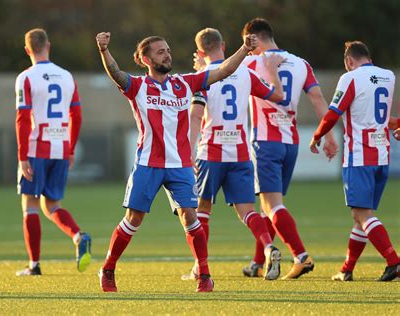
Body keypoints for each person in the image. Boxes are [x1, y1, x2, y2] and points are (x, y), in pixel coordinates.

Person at [95, 31, 258, 292]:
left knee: (190, 216)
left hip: (180, 165)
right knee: (133, 218)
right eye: (160, 51)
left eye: (168, 50)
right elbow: (116, 73)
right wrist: (104, 51)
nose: (167, 54)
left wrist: (243, 49)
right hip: (148, 163)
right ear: (146, 59)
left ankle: (204, 275)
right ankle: (109, 268)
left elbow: (222, 71)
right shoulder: (137, 86)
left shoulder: (185, 82)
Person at [181, 28, 285, 282]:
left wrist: (188, 151)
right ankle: (269, 247)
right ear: (224, 45)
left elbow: (195, 116)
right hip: (239, 152)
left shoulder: (202, 77)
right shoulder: (245, 73)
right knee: (247, 210)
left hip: (211, 151)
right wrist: (273, 73)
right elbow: (278, 96)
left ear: (201, 52)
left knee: (201, 210)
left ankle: (199, 266)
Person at [240, 18, 339, 279]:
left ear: (253, 39)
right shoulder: (300, 63)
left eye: (248, 45)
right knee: (270, 207)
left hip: (265, 141)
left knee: (272, 205)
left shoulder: (251, 62)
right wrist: (327, 134)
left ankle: (301, 256)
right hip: (290, 142)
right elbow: (318, 99)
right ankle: (258, 262)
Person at [310, 41, 399, 282]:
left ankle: (394, 262)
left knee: (363, 215)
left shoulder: (350, 78)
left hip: (359, 155)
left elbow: (333, 113)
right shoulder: (388, 76)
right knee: (361, 216)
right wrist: (396, 123)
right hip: (382, 155)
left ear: (349, 61)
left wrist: (317, 136)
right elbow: (379, 115)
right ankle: (347, 269)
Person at [14, 28, 91, 276]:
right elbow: (76, 116)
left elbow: (23, 119)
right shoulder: (67, 76)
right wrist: (70, 149)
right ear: (49, 45)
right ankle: (78, 235)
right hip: (60, 146)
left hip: (37, 147)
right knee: (53, 204)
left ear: (27, 50)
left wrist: (22, 155)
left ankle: (34, 265)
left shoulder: (26, 78)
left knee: (31, 206)